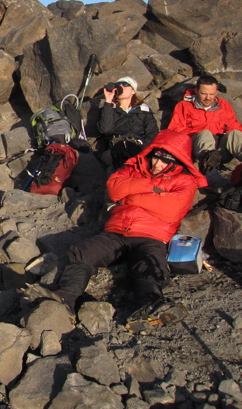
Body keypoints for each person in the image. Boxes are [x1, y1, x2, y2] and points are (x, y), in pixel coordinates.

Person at [26, 129, 207, 325]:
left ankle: (151, 306)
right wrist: (153, 188)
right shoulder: (133, 168)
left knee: (149, 265)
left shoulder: (186, 181)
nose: (157, 164)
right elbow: (114, 190)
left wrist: (131, 195)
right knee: (81, 252)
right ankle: (65, 299)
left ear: (177, 161)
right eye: (156, 157)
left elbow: (169, 210)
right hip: (116, 232)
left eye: (165, 161)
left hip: (152, 235)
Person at [167, 74, 242, 173]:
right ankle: (208, 167)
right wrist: (198, 133)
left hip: (220, 149)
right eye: (204, 94)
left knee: (235, 133)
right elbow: (174, 129)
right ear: (196, 91)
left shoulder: (224, 106)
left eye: (211, 94)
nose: (208, 97)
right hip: (196, 148)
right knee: (205, 134)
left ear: (216, 92)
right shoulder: (184, 106)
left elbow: (234, 125)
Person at [96, 76, 158, 170]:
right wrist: (108, 101)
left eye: (125, 84)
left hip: (139, 147)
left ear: (133, 91)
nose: (121, 86)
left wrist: (142, 144)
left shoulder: (143, 111)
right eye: (118, 85)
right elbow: (105, 130)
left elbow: (153, 133)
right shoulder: (109, 109)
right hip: (115, 149)